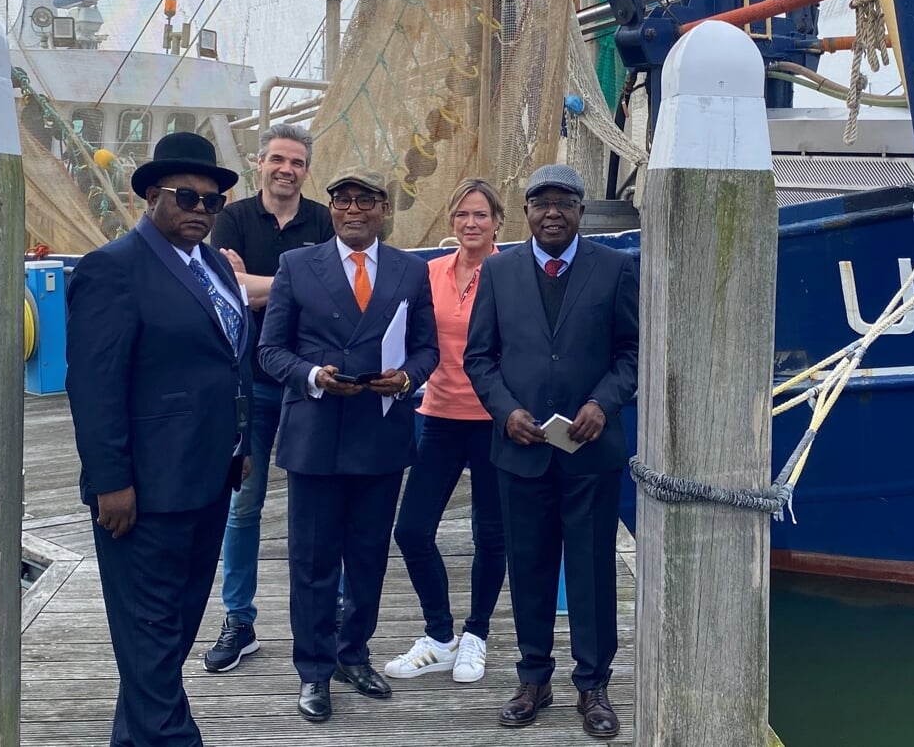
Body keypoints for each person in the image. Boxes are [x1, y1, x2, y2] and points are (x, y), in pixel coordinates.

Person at [66, 131, 254, 747]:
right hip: (143, 493)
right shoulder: (112, 269)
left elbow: (230, 363)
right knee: (149, 638)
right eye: (186, 197)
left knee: (169, 637)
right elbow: (93, 387)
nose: (200, 209)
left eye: (213, 202)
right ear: (152, 196)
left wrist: (242, 442)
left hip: (208, 480)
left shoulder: (215, 271)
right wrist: (112, 481)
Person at [258, 169, 439, 724]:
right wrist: (312, 375)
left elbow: (427, 348)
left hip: (380, 435)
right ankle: (314, 672)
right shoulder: (296, 266)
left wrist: (407, 378)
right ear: (331, 210)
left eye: (365, 200)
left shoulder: (411, 270)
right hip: (315, 435)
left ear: (384, 208)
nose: (353, 209)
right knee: (312, 563)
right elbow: (270, 351)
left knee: (367, 558)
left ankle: (353, 654)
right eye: (343, 201)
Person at [465, 162, 638, 740]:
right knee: (531, 570)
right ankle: (533, 678)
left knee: (592, 573)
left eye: (564, 202)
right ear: (527, 213)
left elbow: (632, 354)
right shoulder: (498, 270)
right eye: (541, 203)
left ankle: (593, 686)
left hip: (589, 450)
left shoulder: (615, 268)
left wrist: (603, 404)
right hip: (521, 450)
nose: (552, 213)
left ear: (581, 212)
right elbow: (479, 358)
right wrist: (504, 411)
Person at [202, 123, 334, 674]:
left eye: (297, 162)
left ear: (307, 169)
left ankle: (336, 609)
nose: (286, 169)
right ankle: (240, 617)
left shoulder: (325, 220)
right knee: (243, 503)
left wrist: (259, 283)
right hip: (250, 383)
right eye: (277, 159)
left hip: (308, 384)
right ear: (260, 163)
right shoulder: (231, 218)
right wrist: (294, 281)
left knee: (326, 503)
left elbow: (332, 292)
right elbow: (223, 288)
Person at [384, 178, 507, 684]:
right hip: (437, 415)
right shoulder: (427, 273)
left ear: (498, 222)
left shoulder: (510, 274)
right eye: (462, 215)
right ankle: (439, 635)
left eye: (481, 215)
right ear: (452, 221)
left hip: (496, 422)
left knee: (491, 533)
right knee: (411, 529)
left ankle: (476, 635)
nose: (471, 224)